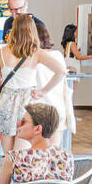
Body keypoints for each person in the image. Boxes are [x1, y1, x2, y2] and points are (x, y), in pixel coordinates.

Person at [0, 14, 66, 157]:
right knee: (22, 157)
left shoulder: (0, 54)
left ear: (13, 30)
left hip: (5, 105)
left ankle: (7, 179)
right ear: (32, 31)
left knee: (9, 158)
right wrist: (43, 91)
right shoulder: (36, 53)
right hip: (27, 108)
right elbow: (61, 71)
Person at [0, 103, 74, 184]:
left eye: (23, 121)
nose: (18, 123)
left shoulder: (14, 158)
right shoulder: (67, 156)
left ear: (38, 129)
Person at [36, 20, 75, 148]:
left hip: (38, 110)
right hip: (57, 109)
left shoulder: (33, 57)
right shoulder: (57, 55)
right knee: (53, 151)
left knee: (37, 152)